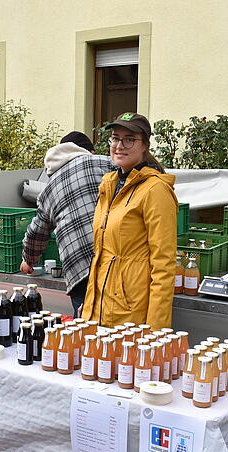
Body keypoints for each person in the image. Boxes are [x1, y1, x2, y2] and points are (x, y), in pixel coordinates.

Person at [81, 113, 178, 329]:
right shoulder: (110, 184)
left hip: (131, 315)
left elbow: (164, 265)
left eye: (129, 139)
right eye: (115, 138)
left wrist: (155, 330)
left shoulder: (155, 190)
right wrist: (89, 305)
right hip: (100, 308)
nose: (119, 146)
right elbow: (102, 255)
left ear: (145, 144)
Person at [20, 131, 113, 315]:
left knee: (86, 331)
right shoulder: (106, 162)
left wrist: (28, 260)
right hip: (115, 261)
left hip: (79, 269)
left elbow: (37, 232)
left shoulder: (49, 187)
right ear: (90, 152)